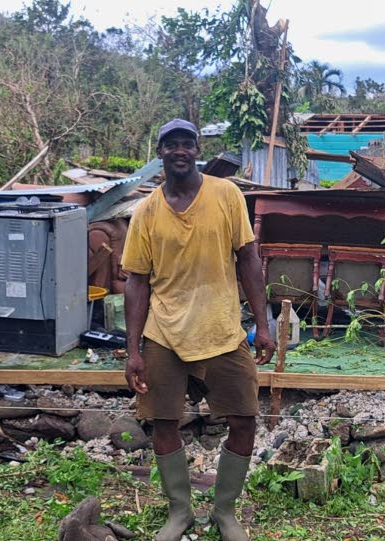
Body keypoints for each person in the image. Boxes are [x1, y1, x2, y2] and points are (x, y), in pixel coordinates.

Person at [121, 118, 276, 541]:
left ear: (197, 150)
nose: (179, 151)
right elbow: (136, 281)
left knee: (244, 420)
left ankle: (224, 512)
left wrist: (263, 325)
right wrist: (133, 350)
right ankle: (180, 513)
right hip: (164, 335)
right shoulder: (146, 212)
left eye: (186, 144)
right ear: (160, 153)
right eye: (170, 145)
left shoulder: (227, 195)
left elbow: (248, 259)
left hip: (222, 331)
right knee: (164, 423)